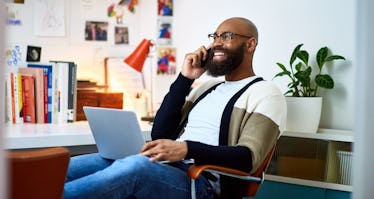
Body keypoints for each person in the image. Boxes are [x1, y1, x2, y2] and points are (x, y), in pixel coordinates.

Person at [63, 17, 286, 199]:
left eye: (227, 37)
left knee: (135, 168)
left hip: (202, 182)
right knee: (67, 166)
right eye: (215, 36)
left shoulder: (266, 93)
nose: (216, 43)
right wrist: (185, 78)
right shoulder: (207, 87)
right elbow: (160, 133)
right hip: (165, 165)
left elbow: (248, 158)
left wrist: (187, 149)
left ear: (250, 44)